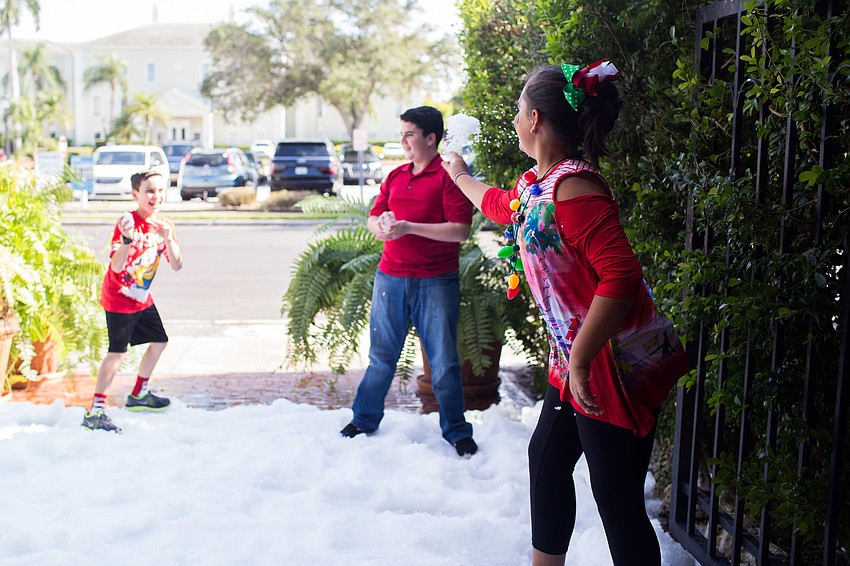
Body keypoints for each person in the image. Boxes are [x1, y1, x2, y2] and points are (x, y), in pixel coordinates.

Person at [443, 61, 690, 565]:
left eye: (517, 111)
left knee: (618, 502)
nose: (514, 120)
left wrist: (578, 359)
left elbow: (620, 277)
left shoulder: (575, 190)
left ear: (535, 119)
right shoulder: (539, 183)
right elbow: (501, 205)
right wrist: (461, 176)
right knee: (548, 461)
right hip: (577, 358)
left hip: (610, 364)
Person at [340, 106, 478, 457]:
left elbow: (460, 231)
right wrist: (382, 226)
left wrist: (408, 227)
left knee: (444, 360)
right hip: (391, 278)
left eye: (409, 134)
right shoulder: (396, 175)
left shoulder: (449, 177)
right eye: (401, 133)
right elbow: (373, 218)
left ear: (431, 138)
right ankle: (364, 419)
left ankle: (457, 431)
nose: (402, 141)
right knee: (381, 357)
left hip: (435, 281)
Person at [81, 169, 183, 433]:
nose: (156, 196)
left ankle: (139, 395)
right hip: (119, 299)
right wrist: (127, 241)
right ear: (135, 194)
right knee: (117, 353)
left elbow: (177, 265)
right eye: (149, 191)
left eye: (161, 190)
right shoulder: (127, 222)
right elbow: (115, 266)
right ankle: (95, 412)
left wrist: (169, 239)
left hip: (142, 299)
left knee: (159, 342)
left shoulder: (164, 225)